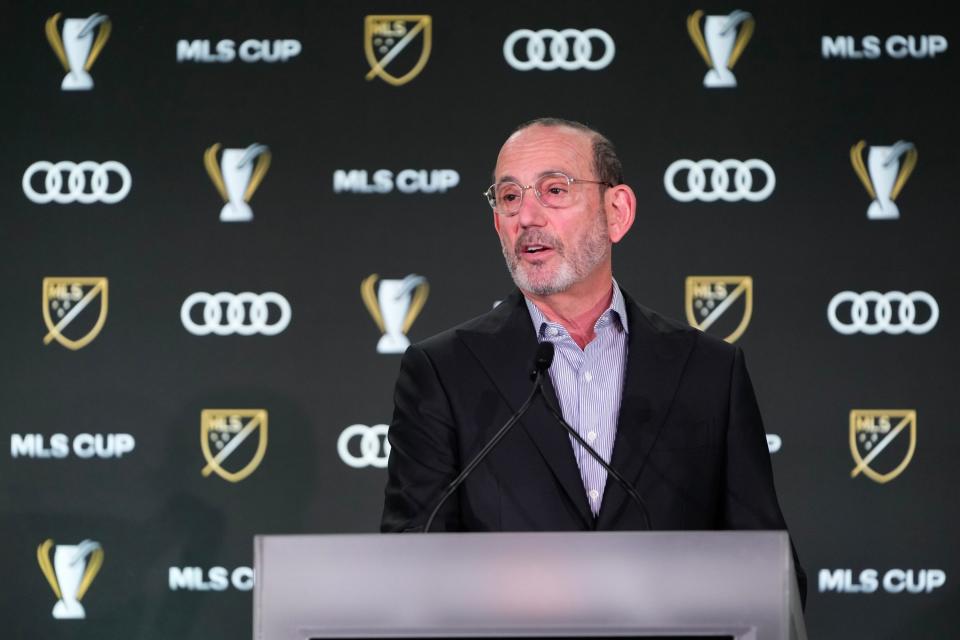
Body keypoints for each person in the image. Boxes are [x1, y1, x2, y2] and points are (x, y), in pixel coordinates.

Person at [380, 117, 806, 603]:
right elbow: (411, 564)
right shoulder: (443, 372)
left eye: (554, 190)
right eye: (510, 197)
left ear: (617, 211)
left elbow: (770, 571)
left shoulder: (709, 372)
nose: (527, 217)